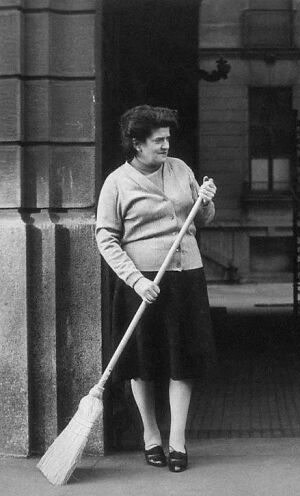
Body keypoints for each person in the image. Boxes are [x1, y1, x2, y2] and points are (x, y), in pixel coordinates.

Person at [96, 105, 217, 472]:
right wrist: (136, 281)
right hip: (142, 282)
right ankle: (151, 435)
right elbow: (106, 237)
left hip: (186, 276)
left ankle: (177, 440)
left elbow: (202, 220)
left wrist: (206, 201)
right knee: (142, 363)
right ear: (137, 143)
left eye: (168, 138)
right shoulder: (117, 182)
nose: (166, 145)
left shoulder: (180, 169)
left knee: (183, 361)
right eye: (158, 140)